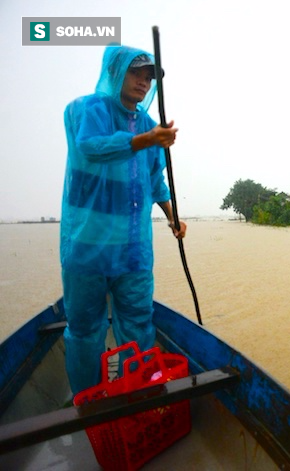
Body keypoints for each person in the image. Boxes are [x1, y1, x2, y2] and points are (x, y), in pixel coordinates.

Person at [61, 45, 186, 395]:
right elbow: (91, 147)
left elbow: (154, 178)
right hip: (88, 247)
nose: (143, 83)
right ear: (115, 72)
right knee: (86, 329)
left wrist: (173, 218)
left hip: (133, 250)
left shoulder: (148, 124)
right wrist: (147, 139)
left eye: (149, 77)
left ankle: (138, 396)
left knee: (139, 324)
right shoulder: (86, 109)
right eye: (136, 73)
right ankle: (88, 401)